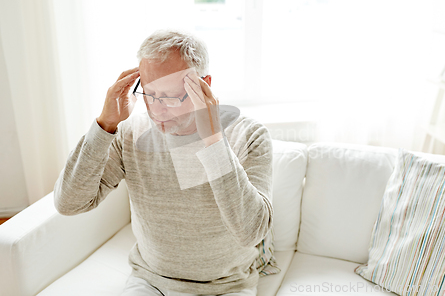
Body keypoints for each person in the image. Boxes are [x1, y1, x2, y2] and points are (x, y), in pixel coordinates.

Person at [53, 29, 280, 296]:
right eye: (150, 94)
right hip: (151, 281)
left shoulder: (250, 135)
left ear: (204, 84)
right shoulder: (129, 134)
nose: (157, 110)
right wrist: (105, 124)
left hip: (227, 286)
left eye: (171, 97)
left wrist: (214, 142)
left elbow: (251, 231)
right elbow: (69, 204)